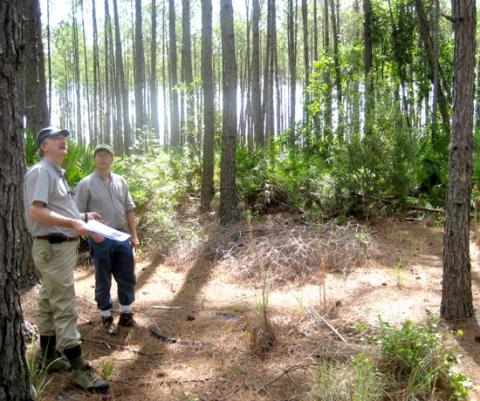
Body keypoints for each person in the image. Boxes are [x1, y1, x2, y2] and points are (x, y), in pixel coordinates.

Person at [24, 127, 109, 393]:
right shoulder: (41, 171)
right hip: (52, 247)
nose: (63, 142)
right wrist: (74, 221)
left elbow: (59, 210)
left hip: (61, 248)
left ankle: (47, 357)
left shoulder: (55, 174)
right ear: (43, 147)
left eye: (64, 140)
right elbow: (36, 211)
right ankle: (79, 368)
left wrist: (84, 218)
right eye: (56, 140)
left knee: (49, 301)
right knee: (65, 305)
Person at [75, 144, 139, 336]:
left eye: (107, 155)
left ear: (112, 159)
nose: (103, 159)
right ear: (94, 160)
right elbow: (77, 214)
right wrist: (93, 235)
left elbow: (129, 209)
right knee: (103, 279)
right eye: (99, 156)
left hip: (121, 236)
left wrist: (133, 235)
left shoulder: (121, 181)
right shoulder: (85, 184)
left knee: (127, 275)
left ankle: (126, 313)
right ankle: (106, 316)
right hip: (100, 237)